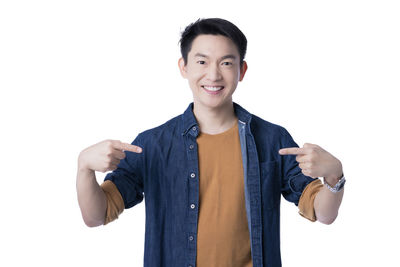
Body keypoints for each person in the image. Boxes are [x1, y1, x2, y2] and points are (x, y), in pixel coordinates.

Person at [76, 17, 345, 267]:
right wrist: (84, 168)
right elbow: (96, 216)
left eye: (226, 63)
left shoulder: (272, 140)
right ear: (184, 67)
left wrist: (334, 176)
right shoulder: (152, 145)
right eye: (202, 62)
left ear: (242, 70)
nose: (214, 75)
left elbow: (323, 214)